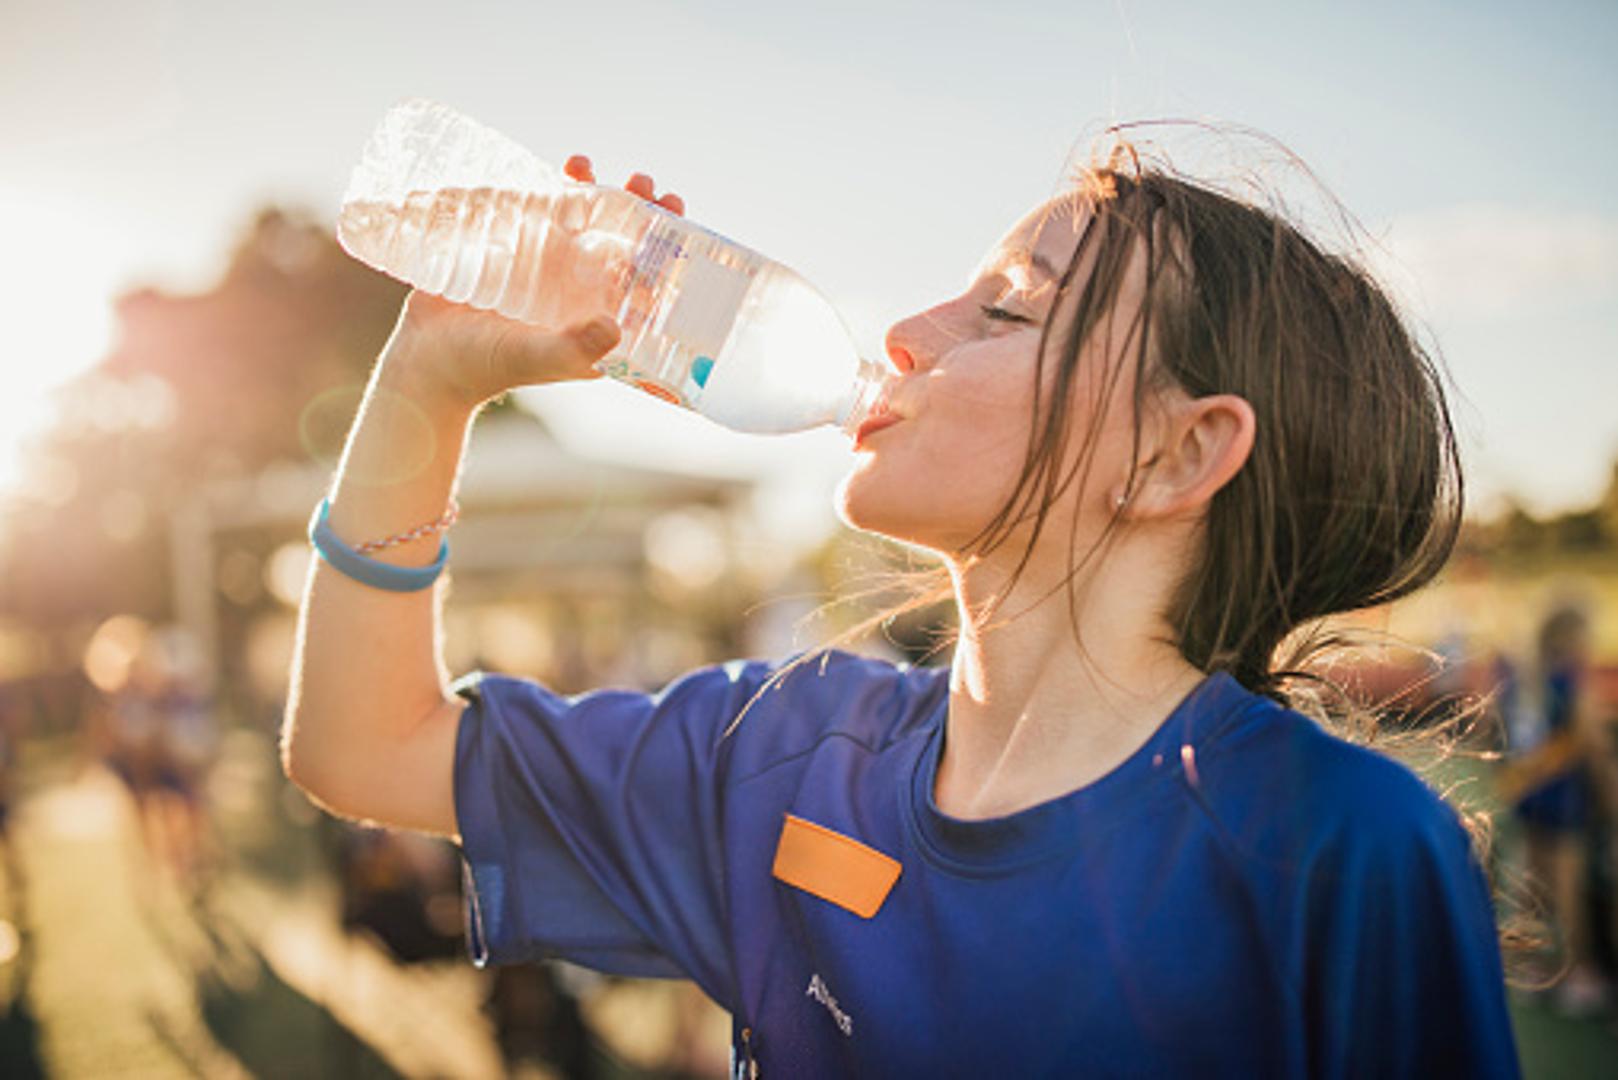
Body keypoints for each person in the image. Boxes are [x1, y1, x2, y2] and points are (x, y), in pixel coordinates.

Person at [283, 141, 1522, 1076]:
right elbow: (364, 746)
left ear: (1172, 457)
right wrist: (425, 387)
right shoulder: (784, 751)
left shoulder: (1339, 848)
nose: (904, 333)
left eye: (1007, 308)